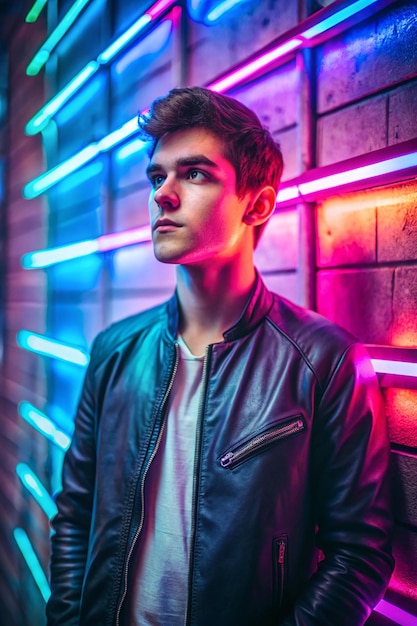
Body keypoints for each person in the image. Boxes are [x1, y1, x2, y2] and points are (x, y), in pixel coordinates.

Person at [46, 86, 393, 626]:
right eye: (157, 176)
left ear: (256, 203)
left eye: (195, 174)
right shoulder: (114, 351)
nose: (163, 194)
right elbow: (74, 516)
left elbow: (359, 556)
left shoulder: (323, 361)